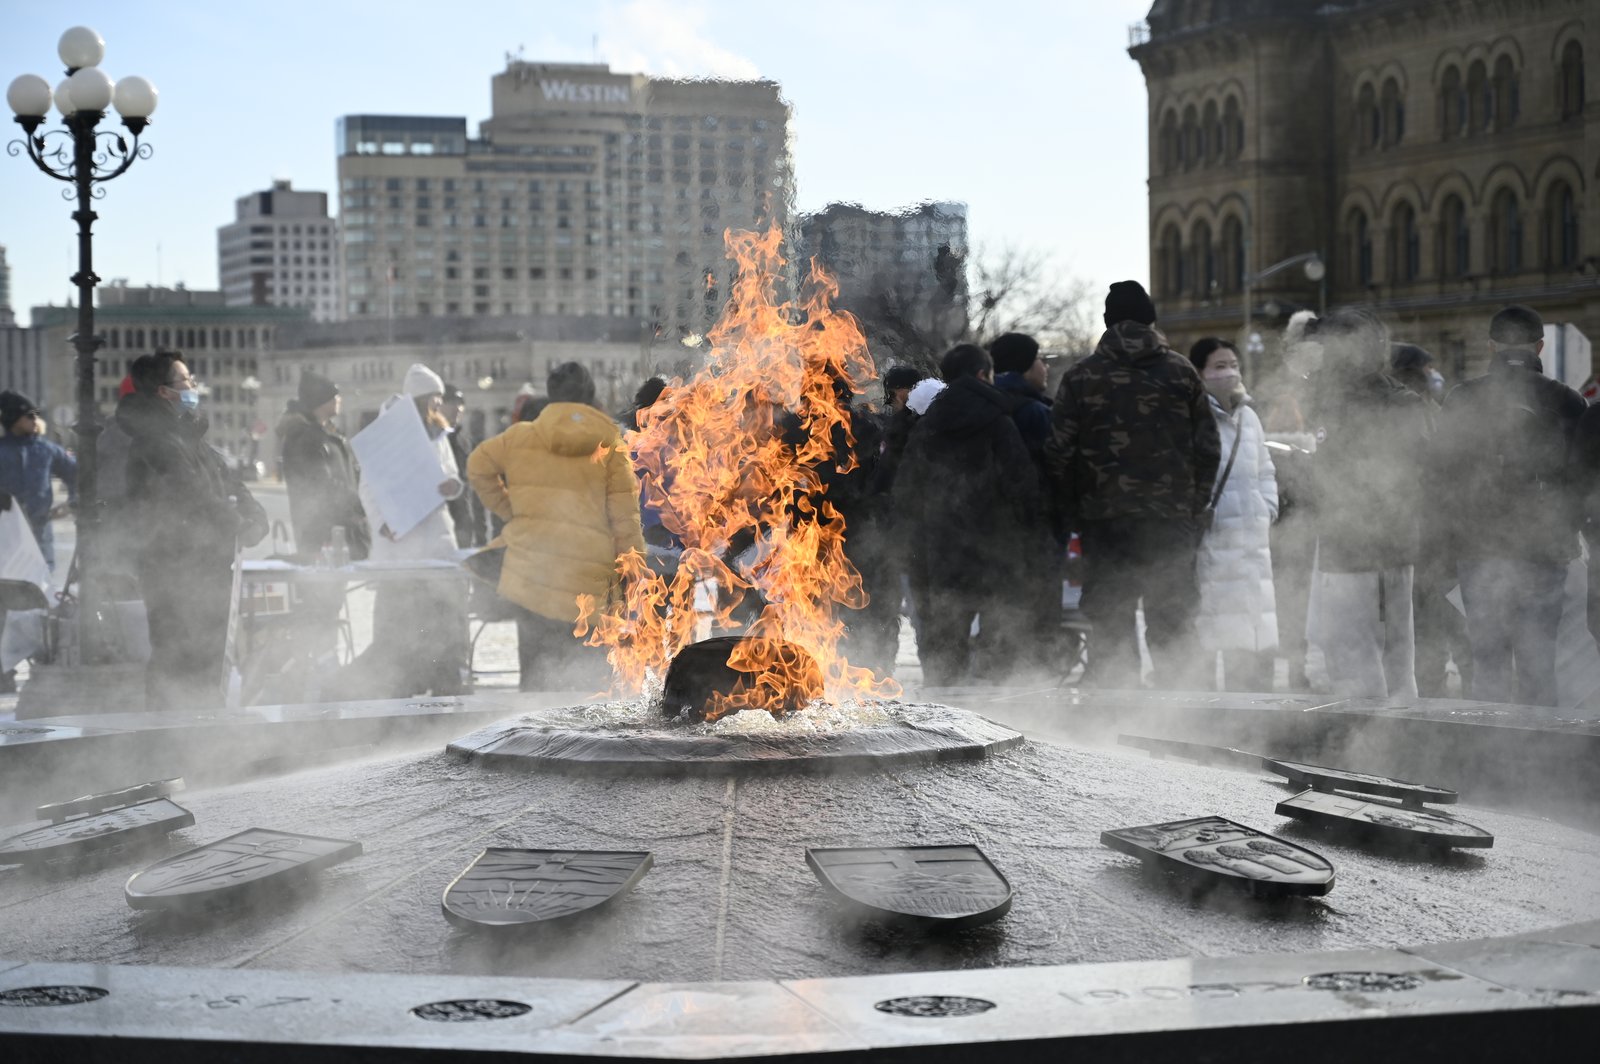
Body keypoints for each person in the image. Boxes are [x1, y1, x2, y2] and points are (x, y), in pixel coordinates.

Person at [1045, 281, 1221, 689]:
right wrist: (1194, 508)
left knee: (1109, 619)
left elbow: (1058, 453)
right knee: (1174, 620)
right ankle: (1182, 723)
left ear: (1107, 320)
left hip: (1104, 522)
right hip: (1171, 522)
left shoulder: (1082, 376)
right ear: (1151, 320)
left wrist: (1074, 512)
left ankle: (1114, 727)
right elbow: (1208, 448)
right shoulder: (1181, 372)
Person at [1434, 305, 1586, 706]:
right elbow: (1583, 482)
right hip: (1546, 553)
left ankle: (1489, 757)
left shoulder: (1462, 399)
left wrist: (1448, 544)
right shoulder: (1569, 402)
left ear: (1490, 346)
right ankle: (1538, 758)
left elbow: (1440, 476)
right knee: (1539, 664)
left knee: (1488, 663)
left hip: (1478, 551)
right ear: (1540, 344)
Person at [467, 361, 646, 691]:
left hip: (534, 577)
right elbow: (625, 517)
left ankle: (533, 743)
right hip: (591, 584)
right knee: (588, 689)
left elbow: (478, 466)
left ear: (550, 396)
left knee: (537, 686)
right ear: (590, 396)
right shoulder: (609, 440)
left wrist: (512, 512)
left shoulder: (520, 436)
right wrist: (636, 572)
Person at [117, 352, 268, 709]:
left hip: (209, 569)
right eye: (185, 380)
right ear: (164, 391)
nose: (193, 386)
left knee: (210, 661)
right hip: (173, 573)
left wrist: (254, 515)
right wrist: (236, 524)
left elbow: (229, 483)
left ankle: (203, 743)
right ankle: (166, 744)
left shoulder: (193, 439)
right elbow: (193, 494)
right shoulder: (156, 442)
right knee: (177, 660)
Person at [894, 344, 1039, 686]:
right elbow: (1022, 485)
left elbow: (905, 492)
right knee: (999, 642)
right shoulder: (999, 421)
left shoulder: (926, 425)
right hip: (996, 551)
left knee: (945, 643)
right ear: (981, 375)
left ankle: (944, 719)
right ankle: (1000, 720)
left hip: (940, 550)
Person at [1305, 308, 1428, 703]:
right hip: (1382, 544)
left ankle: (1370, 744)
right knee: (1391, 656)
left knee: (1361, 659)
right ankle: (1390, 739)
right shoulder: (1397, 401)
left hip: (1362, 548)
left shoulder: (1374, 403)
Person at [342, 363, 470, 697]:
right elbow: (368, 488)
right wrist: (383, 523)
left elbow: (452, 475)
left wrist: (451, 487)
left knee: (440, 629)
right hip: (400, 547)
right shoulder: (387, 433)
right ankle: (396, 700)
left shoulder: (439, 432)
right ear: (421, 399)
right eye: (435, 400)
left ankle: (442, 700)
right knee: (397, 632)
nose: (439, 407)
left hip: (437, 545)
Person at [1189, 338, 1278, 691]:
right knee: (1212, 631)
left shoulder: (1250, 417)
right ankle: (1214, 723)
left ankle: (1253, 717)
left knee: (1254, 632)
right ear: (1200, 373)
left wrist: (1265, 508)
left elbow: (1265, 470)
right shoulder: (1195, 417)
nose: (1229, 373)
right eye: (1219, 366)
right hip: (1214, 541)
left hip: (1253, 542)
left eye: (1233, 365)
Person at [1391, 343, 1470, 697]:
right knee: (1431, 626)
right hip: (1424, 538)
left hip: (1442, 538)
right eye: (1425, 370)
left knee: (1453, 623)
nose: (1432, 376)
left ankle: (1456, 697)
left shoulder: (1431, 409)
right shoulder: (1408, 412)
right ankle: (1435, 699)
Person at [278, 372, 369, 561]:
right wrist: (358, 507)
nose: (339, 399)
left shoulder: (328, 435)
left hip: (339, 527)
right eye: (335, 396)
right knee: (320, 585)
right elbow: (322, 485)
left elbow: (349, 476)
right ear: (321, 401)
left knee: (335, 585)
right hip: (319, 532)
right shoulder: (305, 437)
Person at [0, 391, 77, 572]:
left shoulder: (47, 449)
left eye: (37, 414)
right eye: (29, 415)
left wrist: (72, 502)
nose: (35, 419)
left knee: (41, 584)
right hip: (5, 532)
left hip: (40, 532)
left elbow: (77, 475)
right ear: (13, 419)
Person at [442, 384, 488, 548]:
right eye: (451, 403)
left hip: (466, 525)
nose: (457, 408)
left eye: (460, 403)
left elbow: (476, 492)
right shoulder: (434, 442)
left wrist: (481, 535)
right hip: (444, 528)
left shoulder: (465, 443)